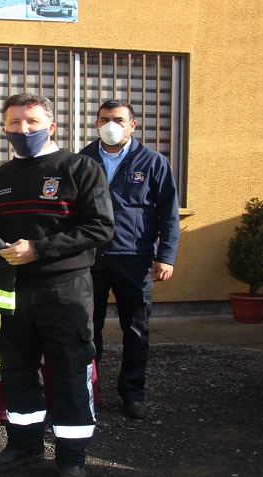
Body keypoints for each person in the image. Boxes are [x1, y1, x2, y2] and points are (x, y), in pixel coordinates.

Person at [0, 93, 114, 477]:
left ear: (51, 126)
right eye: (15, 123)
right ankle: (23, 445)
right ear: (4, 129)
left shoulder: (80, 168)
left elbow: (101, 228)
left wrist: (38, 249)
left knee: (71, 370)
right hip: (12, 291)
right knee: (18, 369)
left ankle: (71, 460)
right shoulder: (1, 177)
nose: (24, 130)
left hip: (64, 289)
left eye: (33, 122)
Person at [78, 99, 180, 421]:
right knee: (86, 329)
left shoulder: (152, 162)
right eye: (105, 119)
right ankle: (87, 392)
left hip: (134, 260)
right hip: (90, 258)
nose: (111, 124)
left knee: (135, 329)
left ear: (132, 125)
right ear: (96, 124)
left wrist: (166, 256)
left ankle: (132, 393)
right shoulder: (82, 160)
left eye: (119, 119)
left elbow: (169, 214)